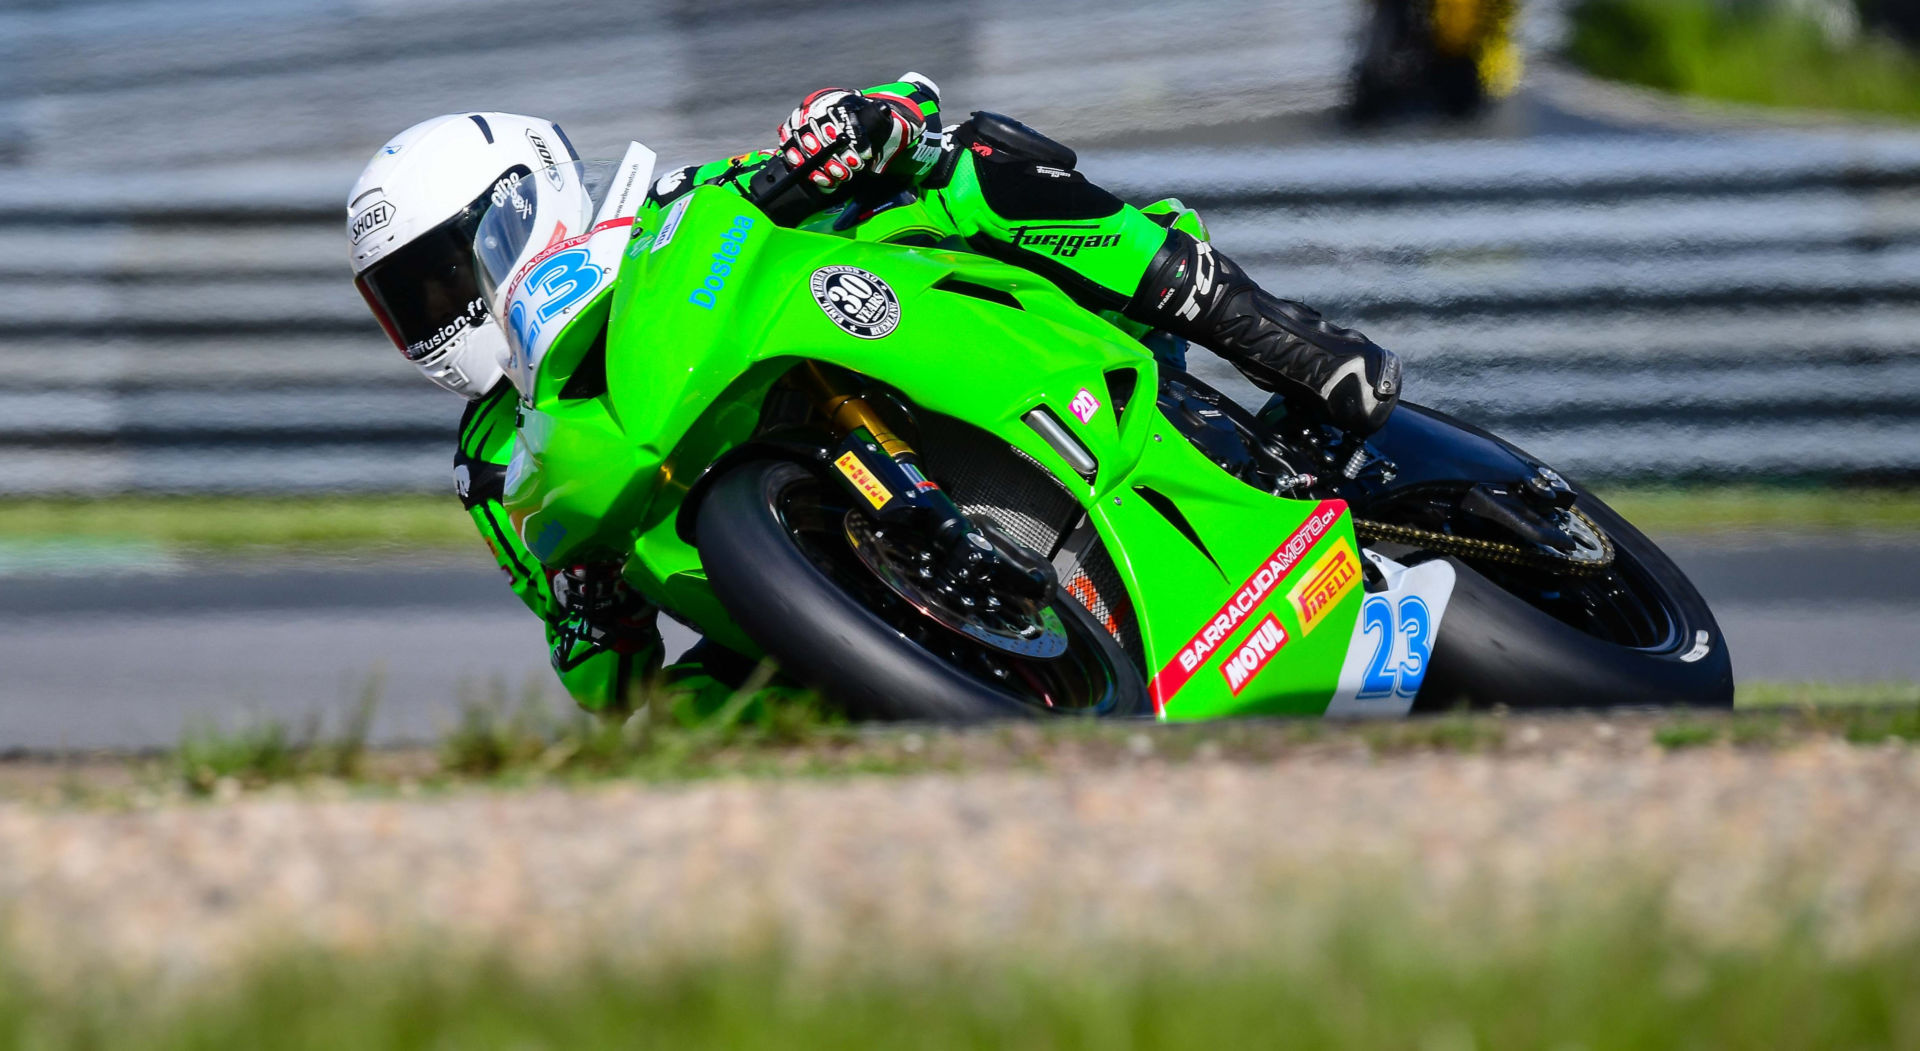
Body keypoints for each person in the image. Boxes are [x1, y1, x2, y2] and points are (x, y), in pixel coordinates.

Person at [345, 78, 1401, 715]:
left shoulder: (664, 212)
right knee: (690, 726)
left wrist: (864, 125)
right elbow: (604, 685)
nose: (437, 316)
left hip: (888, 341)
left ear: (523, 199)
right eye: (409, 302)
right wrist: (587, 615)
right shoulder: (500, 467)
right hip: (782, 585)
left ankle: (1271, 336)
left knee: (966, 166)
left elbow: (864, 131)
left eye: (443, 276)